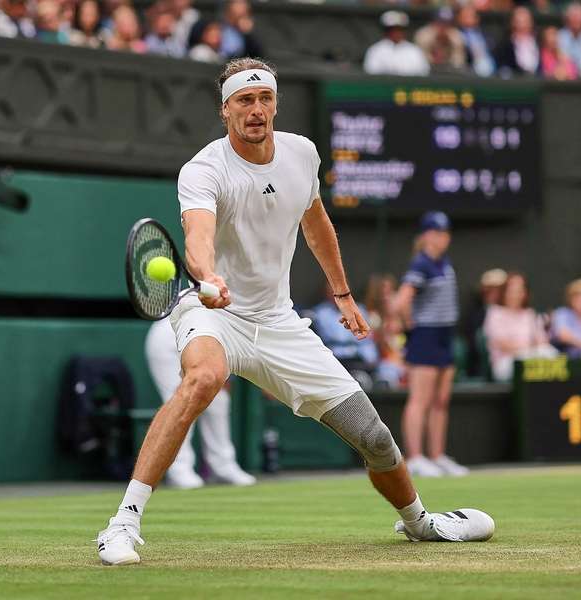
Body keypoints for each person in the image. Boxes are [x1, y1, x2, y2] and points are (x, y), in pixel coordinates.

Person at [94, 58, 494, 566]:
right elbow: (196, 239)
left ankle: (421, 523)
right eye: (244, 100)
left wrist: (343, 294)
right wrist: (209, 277)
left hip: (278, 322)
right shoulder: (203, 169)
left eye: (264, 99)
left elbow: (316, 223)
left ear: (275, 104)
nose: (256, 110)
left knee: (373, 437)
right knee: (204, 378)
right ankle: (122, 525)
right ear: (226, 111)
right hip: (213, 310)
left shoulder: (302, 154)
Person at [393, 211, 468, 478]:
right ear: (425, 235)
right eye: (436, 233)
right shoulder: (421, 264)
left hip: (445, 336)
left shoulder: (442, 262)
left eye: (445, 233)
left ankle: (436, 455)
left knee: (440, 400)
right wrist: (410, 324)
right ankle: (415, 457)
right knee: (420, 400)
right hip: (426, 336)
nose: (441, 238)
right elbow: (400, 302)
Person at [145, 318, 256, 489]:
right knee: (181, 401)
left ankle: (223, 466)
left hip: (203, 339)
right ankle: (179, 470)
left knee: (219, 400)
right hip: (169, 338)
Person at [484, 271, 557, 382]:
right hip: (505, 363)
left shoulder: (530, 314)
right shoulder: (494, 313)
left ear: (525, 293)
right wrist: (530, 348)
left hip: (532, 359)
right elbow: (502, 344)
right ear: (504, 292)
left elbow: (542, 342)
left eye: (519, 291)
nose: (515, 295)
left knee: (550, 353)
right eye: (511, 291)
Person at [311, 282, 380, 375]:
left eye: (338, 291)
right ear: (326, 293)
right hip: (333, 357)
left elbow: (367, 339)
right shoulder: (320, 313)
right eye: (331, 291)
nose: (335, 294)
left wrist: (371, 358)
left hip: (357, 356)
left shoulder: (360, 309)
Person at [463, 268, 507, 379]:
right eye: (490, 289)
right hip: (480, 365)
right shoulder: (475, 313)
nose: (494, 293)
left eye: (499, 289)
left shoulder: (513, 313)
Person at [363, 10, 430, 76]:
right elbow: (371, 73)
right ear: (386, 31)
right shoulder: (376, 50)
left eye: (400, 29)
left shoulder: (414, 50)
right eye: (393, 29)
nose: (396, 33)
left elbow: (424, 73)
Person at [414, 6, 466, 72]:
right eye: (440, 22)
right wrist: (436, 37)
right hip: (427, 71)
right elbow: (419, 58)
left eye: (447, 22)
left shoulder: (456, 35)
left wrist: (448, 40)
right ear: (434, 21)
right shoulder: (423, 34)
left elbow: (459, 62)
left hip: (450, 71)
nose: (443, 25)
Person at [495, 6, 540, 76]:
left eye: (526, 21)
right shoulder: (504, 46)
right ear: (512, 23)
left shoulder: (539, 42)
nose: (522, 26)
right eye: (519, 22)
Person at [456, 3, 495, 77]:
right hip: (470, 67)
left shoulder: (484, 33)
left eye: (472, 16)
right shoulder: (457, 33)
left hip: (490, 66)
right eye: (466, 16)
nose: (469, 18)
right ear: (459, 18)